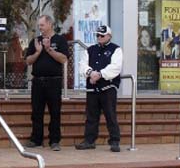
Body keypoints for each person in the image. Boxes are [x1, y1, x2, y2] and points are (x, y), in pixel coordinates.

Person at [76, 25, 124, 153]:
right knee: (91, 116)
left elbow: (116, 67)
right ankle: (89, 141)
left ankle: (114, 141)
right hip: (93, 89)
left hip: (108, 88)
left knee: (110, 115)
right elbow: (82, 64)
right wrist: (90, 72)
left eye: (102, 35)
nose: (99, 37)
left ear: (109, 36)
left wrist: (100, 74)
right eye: (97, 35)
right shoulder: (90, 50)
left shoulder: (116, 49)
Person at [24, 14, 69, 151]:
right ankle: (36, 139)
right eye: (39, 25)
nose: (40, 28)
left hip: (53, 82)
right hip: (37, 82)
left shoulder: (60, 40)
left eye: (42, 25)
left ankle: (54, 140)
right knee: (36, 112)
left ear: (49, 24)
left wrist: (49, 49)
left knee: (55, 112)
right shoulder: (36, 41)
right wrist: (38, 52)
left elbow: (63, 59)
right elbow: (28, 61)